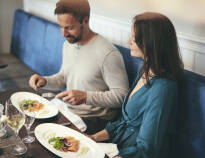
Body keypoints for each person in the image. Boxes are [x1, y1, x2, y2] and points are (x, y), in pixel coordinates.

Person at [89, 12, 184, 158]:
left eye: (133, 38)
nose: (128, 41)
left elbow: (147, 150)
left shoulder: (163, 89)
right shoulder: (145, 72)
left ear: (150, 42)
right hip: (116, 146)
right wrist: (93, 139)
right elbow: (122, 122)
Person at [29, 0, 129, 133]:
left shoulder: (108, 53)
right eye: (60, 27)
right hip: (69, 112)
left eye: (69, 28)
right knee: (30, 124)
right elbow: (64, 78)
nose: (63, 34)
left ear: (86, 21)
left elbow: (122, 96)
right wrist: (45, 81)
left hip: (94, 121)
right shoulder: (68, 44)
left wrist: (85, 97)